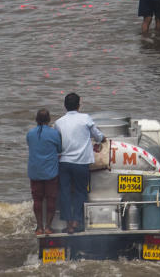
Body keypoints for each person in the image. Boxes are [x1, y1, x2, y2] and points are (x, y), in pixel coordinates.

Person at [56, 93, 105, 234]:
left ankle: (68, 222)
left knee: (64, 193)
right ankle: (77, 222)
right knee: (80, 192)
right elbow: (98, 136)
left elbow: (57, 142)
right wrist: (102, 138)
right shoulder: (85, 118)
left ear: (65, 106)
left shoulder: (59, 122)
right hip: (81, 163)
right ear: (79, 105)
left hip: (64, 163)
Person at [27, 108, 63, 235]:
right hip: (50, 172)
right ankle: (48, 227)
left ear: (36, 120)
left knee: (37, 200)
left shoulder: (30, 133)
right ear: (49, 120)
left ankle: (39, 227)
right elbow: (59, 149)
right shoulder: (54, 133)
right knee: (51, 199)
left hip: (35, 171)